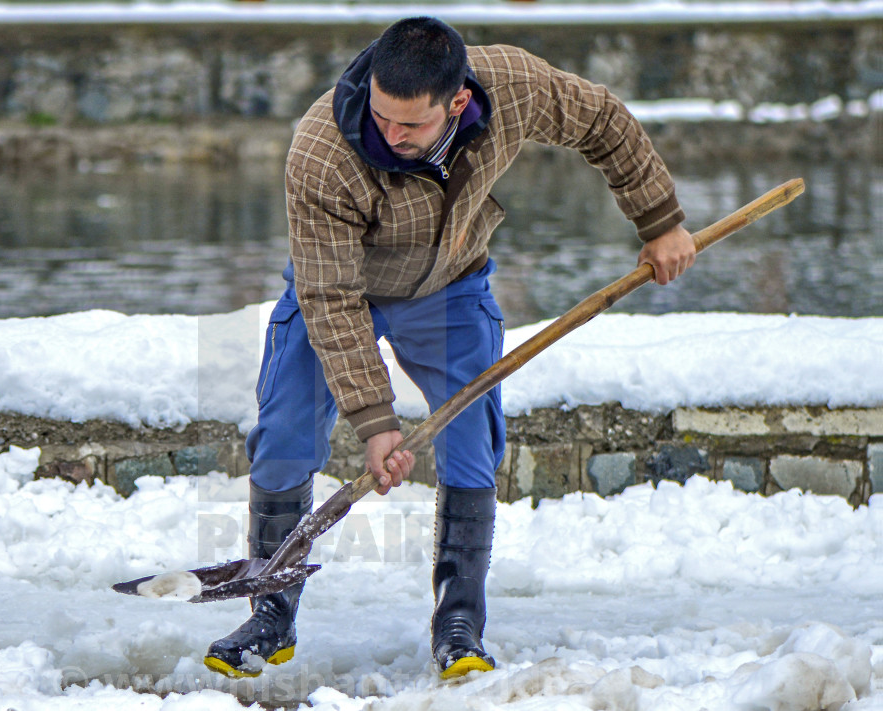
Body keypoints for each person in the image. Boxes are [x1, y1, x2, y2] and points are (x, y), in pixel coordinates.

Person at [203, 16, 696, 680]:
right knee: (285, 429)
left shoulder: (512, 87)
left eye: (409, 125)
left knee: (472, 440)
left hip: (450, 286)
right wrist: (376, 423)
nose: (389, 133)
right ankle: (270, 613)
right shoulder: (323, 149)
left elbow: (602, 120)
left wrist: (660, 221)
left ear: (457, 101)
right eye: (381, 116)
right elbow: (332, 300)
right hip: (343, 287)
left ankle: (459, 620)